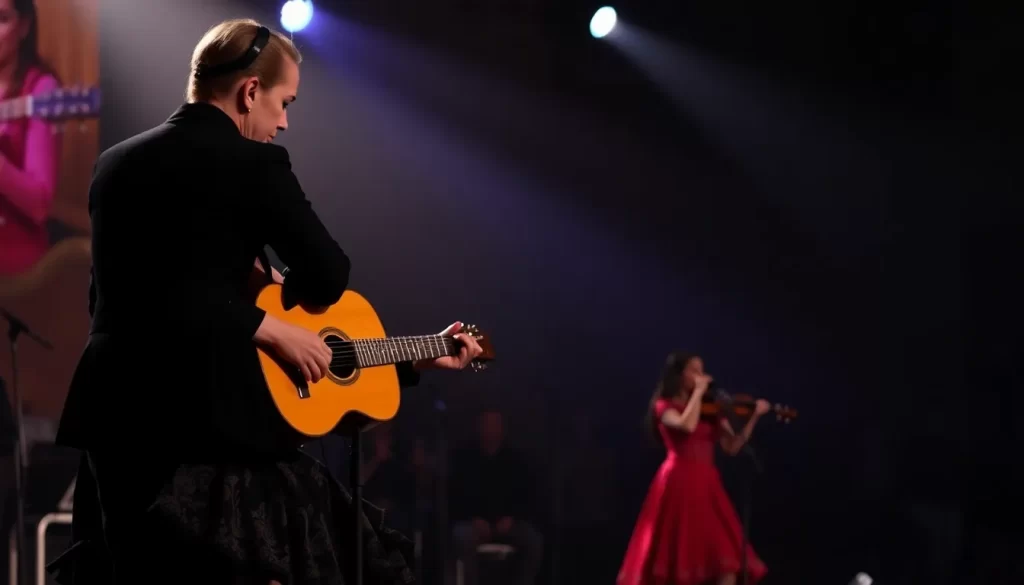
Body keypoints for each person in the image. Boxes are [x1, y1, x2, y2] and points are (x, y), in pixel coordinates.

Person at [46, 18, 482, 585]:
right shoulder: (253, 164)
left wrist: (260, 301)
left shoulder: (112, 164)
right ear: (250, 91)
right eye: (284, 102)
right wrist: (274, 304)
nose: (284, 122)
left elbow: (115, 300)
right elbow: (330, 275)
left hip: (113, 418)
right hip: (203, 426)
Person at [617, 351, 770, 585]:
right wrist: (698, 392)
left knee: (726, 561)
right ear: (679, 375)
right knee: (678, 561)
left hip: (707, 487)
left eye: (702, 370)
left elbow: (732, 446)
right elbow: (685, 425)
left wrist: (754, 418)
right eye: (694, 370)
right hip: (677, 484)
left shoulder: (710, 410)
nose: (702, 376)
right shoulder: (664, 406)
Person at [0, 0, 62, 276]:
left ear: (24, 26)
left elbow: (39, 205)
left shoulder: (41, 89)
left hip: (14, 260)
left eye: (1, 19)